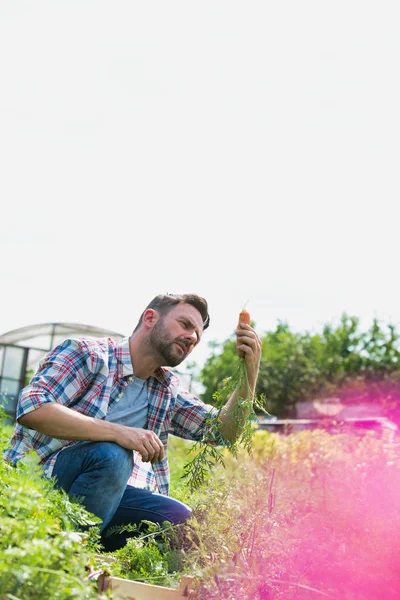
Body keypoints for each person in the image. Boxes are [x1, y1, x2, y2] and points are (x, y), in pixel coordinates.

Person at [3, 293, 262, 550]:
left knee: (179, 519)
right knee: (112, 455)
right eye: (185, 324)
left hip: (104, 496)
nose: (192, 337)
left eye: (196, 336)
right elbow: (32, 407)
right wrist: (118, 433)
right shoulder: (89, 354)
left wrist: (250, 371)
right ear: (150, 318)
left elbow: (222, 432)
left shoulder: (166, 389)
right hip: (38, 481)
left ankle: (98, 552)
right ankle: (67, 554)